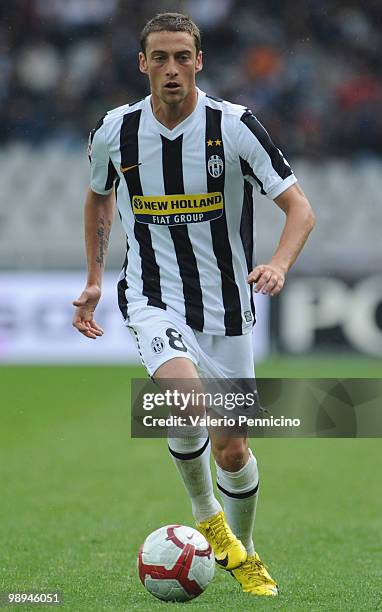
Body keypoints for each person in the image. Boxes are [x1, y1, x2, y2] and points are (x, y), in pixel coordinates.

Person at [72, 12, 315, 597]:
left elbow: (300, 209)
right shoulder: (116, 130)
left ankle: (245, 549)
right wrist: (96, 278)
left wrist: (278, 265)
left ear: (199, 61)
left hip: (229, 308)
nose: (172, 68)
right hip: (151, 294)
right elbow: (99, 199)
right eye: (160, 57)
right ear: (142, 64)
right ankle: (207, 518)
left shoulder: (235, 127)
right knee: (182, 401)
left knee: (234, 448)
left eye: (183, 56)